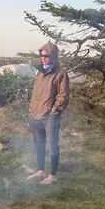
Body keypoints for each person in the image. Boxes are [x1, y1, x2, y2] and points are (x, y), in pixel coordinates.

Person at [25, 42, 70, 185]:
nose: (43, 58)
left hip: (50, 116)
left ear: (54, 56)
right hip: (35, 114)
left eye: (47, 55)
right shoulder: (40, 71)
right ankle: (40, 170)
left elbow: (63, 95)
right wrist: (31, 109)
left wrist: (54, 112)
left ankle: (52, 175)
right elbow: (36, 92)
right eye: (42, 55)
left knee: (52, 145)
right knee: (38, 143)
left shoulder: (60, 73)